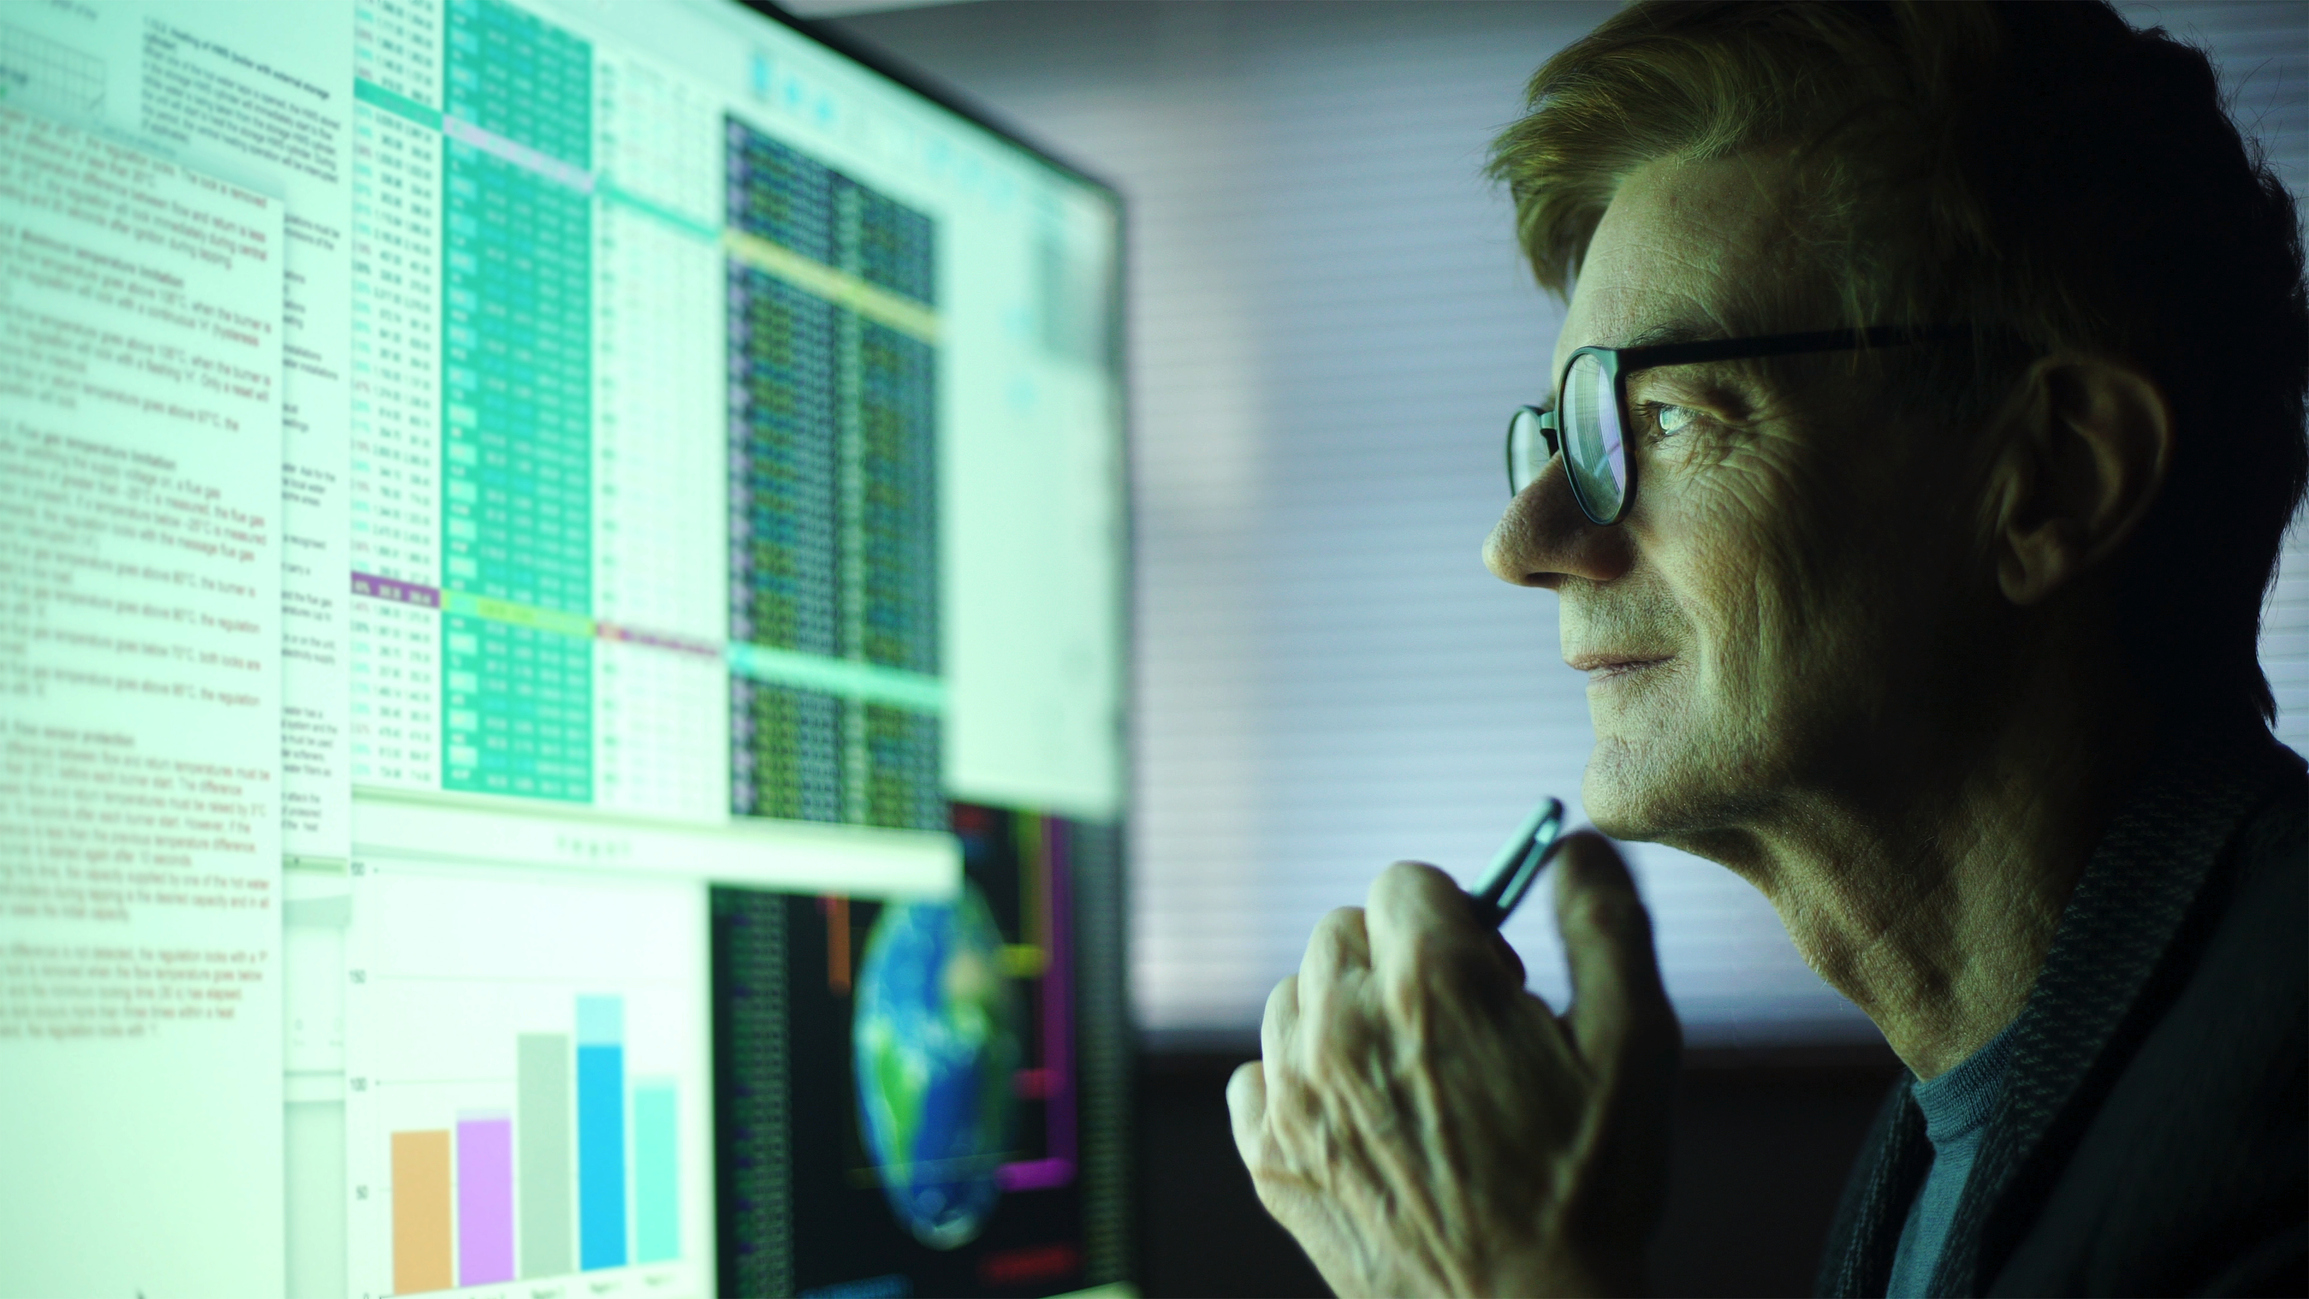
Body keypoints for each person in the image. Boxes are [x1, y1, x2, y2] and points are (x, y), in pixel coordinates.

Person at [1224, 2, 2308, 1295]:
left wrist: (1513, 1277)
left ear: (2051, 479)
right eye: (1559, 440)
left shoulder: (2278, 1094)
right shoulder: (1953, 1108)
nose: (1523, 541)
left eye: (1663, 420)